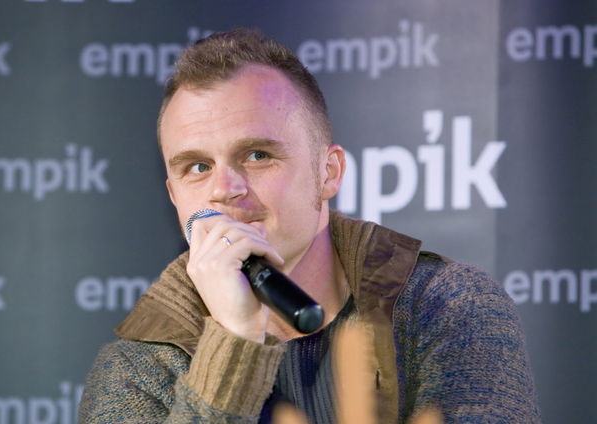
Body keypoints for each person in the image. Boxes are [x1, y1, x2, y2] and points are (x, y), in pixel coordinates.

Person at [79, 28, 541, 423]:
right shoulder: (133, 367)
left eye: (257, 155)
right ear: (175, 197)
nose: (224, 189)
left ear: (328, 173)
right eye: (197, 167)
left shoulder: (449, 306)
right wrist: (234, 343)